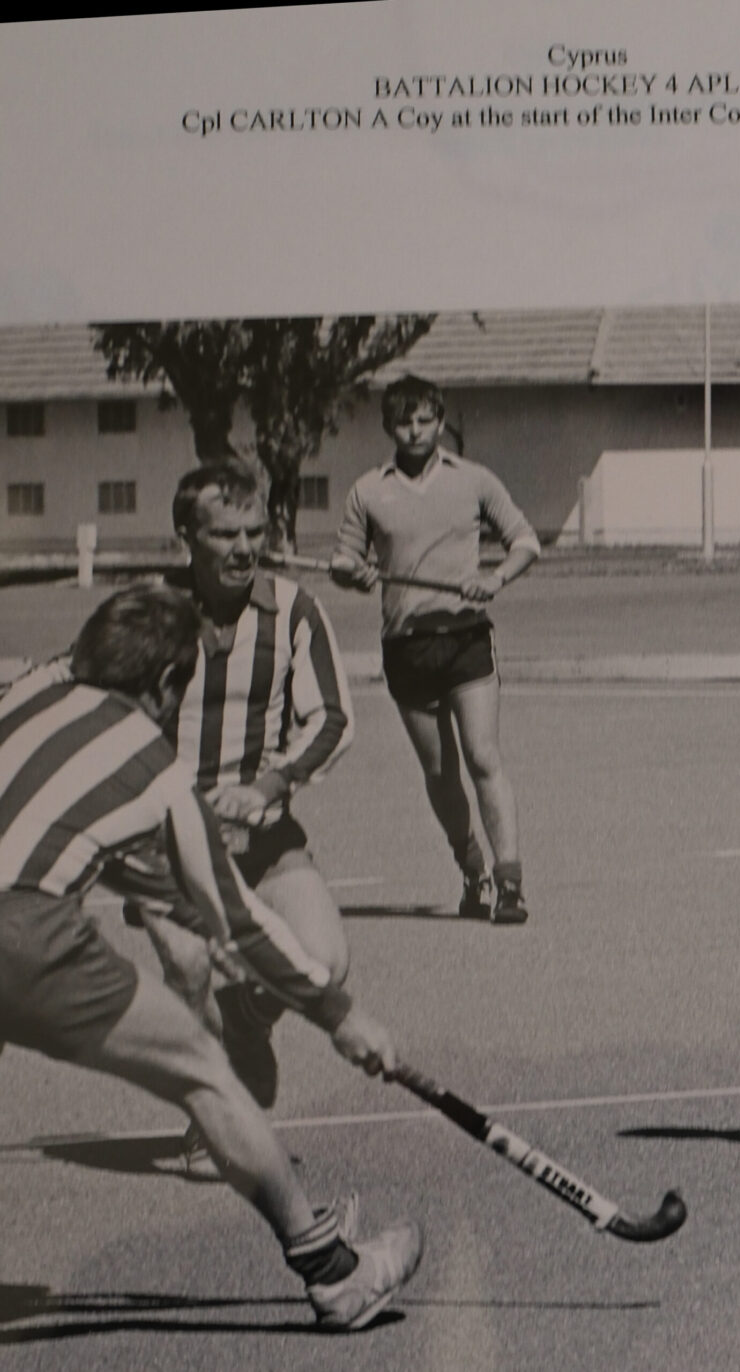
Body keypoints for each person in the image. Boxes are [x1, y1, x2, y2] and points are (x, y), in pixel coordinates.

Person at [0, 585, 422, 1330]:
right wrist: (340, 1014)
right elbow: (240, 921)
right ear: (165, 685)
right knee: (202, 1066)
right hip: (23, 935)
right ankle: (335, 1274)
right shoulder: (154, 767)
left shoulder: (22, 699)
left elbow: (92, 846)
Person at [105, 456, 355, 1176]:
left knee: (323, 963)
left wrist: (271, 783)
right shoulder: (147, 613)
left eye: (256, 531)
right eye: (226, 535)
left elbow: (333, 716)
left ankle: (245, 1021)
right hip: (159, 842)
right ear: (186, 533)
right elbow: (92, 709)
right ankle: (205, 1122)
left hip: (263, 835)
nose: (246, 548)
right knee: (186, 966)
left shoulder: (292, 609)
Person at [331, 374, 540, 924]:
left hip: (467, 639)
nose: (416, 429)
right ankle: (471, 869)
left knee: (483, 757)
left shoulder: (473, 480)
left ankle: (510, 882)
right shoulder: (367, 490)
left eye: (426, 419)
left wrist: (494, 580)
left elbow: (525, 542)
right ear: (389, 427)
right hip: (406, 645)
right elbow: (346, 563)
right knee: (441, 776)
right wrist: (352, 574)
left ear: (441, 421)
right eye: (405, 420)